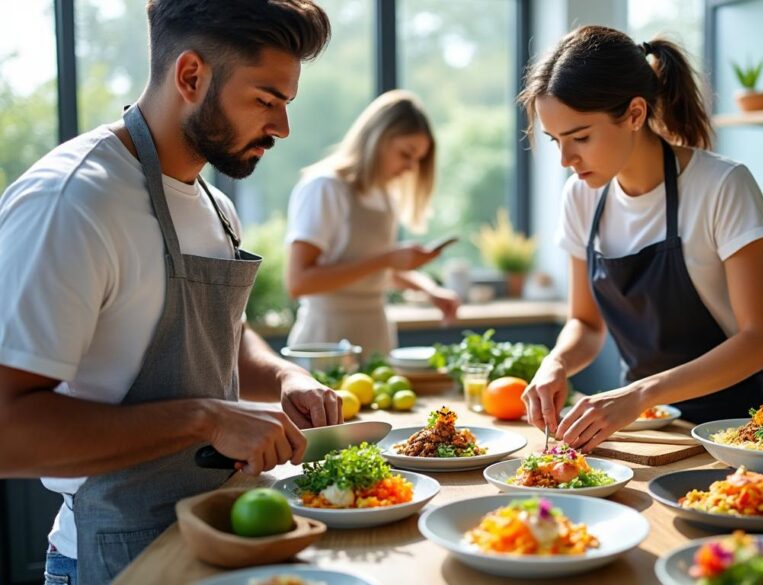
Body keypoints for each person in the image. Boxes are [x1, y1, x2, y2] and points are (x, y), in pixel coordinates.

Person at [0, 1, 336, 583]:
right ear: (190, 76)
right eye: (266, 100)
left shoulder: (214, 204)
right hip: (110, 561)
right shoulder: (74, 203)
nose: (282, 128)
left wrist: (284, 377)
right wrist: (206, 419)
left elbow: (214, 332)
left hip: (221, 538)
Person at [518, 26, 763, 452]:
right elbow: (585, 324)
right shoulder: (581, 198)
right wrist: (556, 362)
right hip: (646, 434)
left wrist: (640, 393)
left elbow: (761, 341)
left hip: (737, 433)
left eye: (580, 137)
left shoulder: (722, 185)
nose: (567, 160)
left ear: (636, 114)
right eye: (556, 141)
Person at [285, 89, 459, 356]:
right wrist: (387, 258)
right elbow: (299, 282)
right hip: (326, 340)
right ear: (378, 139)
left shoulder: (385, 196)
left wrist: (430, 290)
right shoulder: (325, 188)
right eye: (406, 153)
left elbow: (369, 273)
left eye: (418, 159)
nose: (411, 167)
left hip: (376, 335)